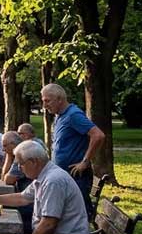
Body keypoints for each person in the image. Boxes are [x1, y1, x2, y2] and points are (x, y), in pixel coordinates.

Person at [41, 82, 105, 216]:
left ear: (60, 99)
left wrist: (85, 162)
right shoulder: (60, 116)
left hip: (76, 177)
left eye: (47, 101)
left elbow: (98, 135)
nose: (44, 105)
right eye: (43, 101)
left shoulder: (73, 115)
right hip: (65, 176)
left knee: (78, 214)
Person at [0, 131, 32, 234]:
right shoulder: (22, 151)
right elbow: (3, 177)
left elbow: (8, 180)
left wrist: (9, 157)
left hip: (30, 201)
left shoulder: (21, 155)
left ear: (13, 145)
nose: (3, 149)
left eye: (5, 146)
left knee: (2, 208)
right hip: (27, 195)